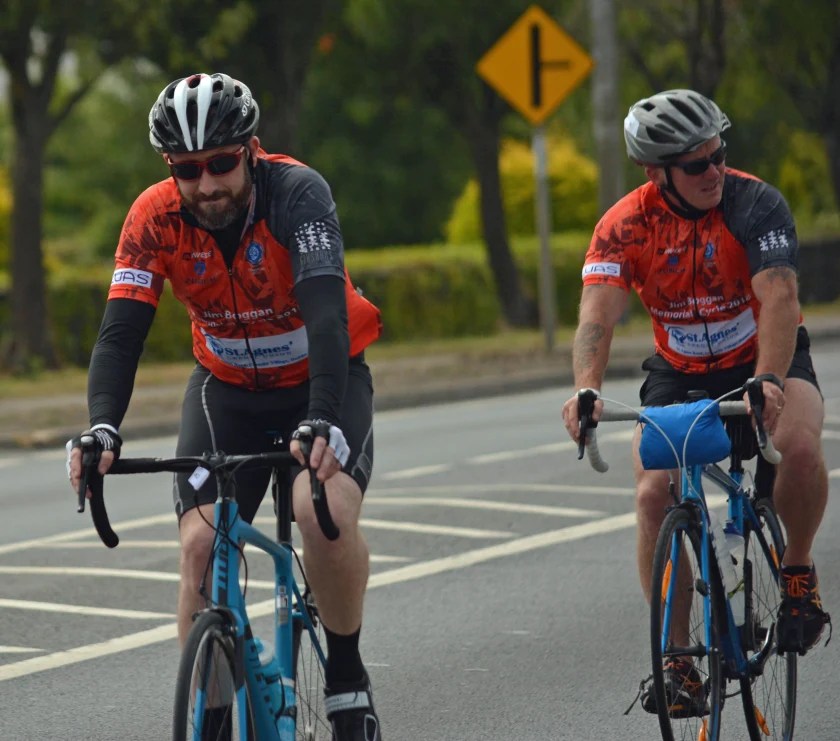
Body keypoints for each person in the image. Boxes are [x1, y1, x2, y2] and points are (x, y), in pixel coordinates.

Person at [66, 72, 384, 741]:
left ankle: (347, 677)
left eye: (220, 163)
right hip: (227, 390)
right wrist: (102, 427)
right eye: (186, 169)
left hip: (321, 380)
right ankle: (211, 714)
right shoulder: (153, 218)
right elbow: (121, 333)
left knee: (319, 514)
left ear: (251, 150)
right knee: (200, 545)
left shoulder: (298, 194)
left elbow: (327, 317)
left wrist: (322, 414)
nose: (206, 183)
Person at [561, 89, 830, 713]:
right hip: (679, 371)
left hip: (763, 354)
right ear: (655, 172)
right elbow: (596, 316)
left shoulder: (755, 203)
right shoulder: (624, 225)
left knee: (798, 447)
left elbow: (780, 299)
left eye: (718, 154)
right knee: (652, 493)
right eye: (695, 164)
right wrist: (586, 388)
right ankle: (678, 659)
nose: (714, 171)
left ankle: (797, 572)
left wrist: (768, 378)